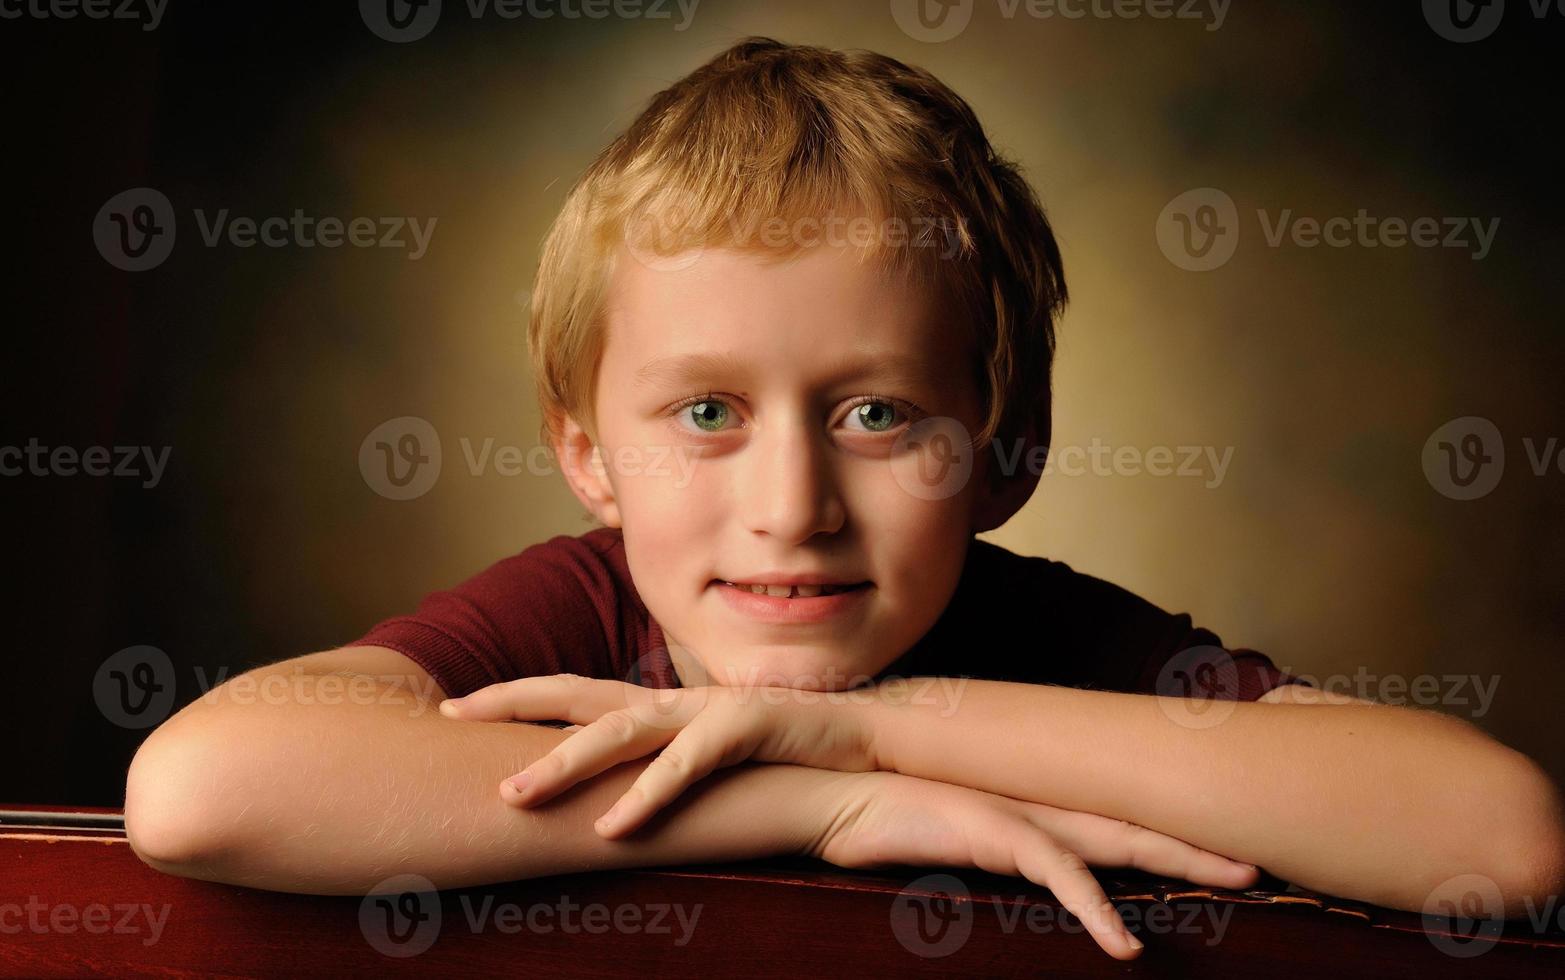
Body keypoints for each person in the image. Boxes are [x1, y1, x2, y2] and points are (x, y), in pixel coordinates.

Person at [125, 37, 1564, 962]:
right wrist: (811, 806)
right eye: (706, 414)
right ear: (588, 457)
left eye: (877, 414)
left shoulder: (1046, 642)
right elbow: (203, 792)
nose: (792, 503)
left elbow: (1494, 842)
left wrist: (868, 723)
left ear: (1009, 451)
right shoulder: (574, 613)